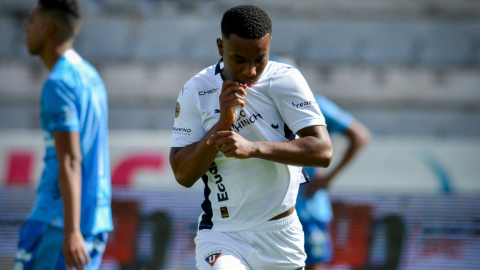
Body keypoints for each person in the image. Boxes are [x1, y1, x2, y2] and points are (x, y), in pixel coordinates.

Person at [169, 5, 333, 270]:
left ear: (269, 46)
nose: (250, 71)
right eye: (239, 60)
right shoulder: (196, 90)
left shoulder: (286, 79)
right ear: (221, 47)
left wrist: (253, 148)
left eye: (259, 59)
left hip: (281, 235)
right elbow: (182, 173)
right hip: (223, 234)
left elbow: (323, 151)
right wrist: (222, 125)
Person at [14, 0, 113, 269]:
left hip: (60, 224)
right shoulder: (89, 75)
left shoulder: (59, 83)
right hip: (96, 219)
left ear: (47, 30)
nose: (26, 29)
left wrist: (71, 231)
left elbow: (70, 159)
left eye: (31, 22)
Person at [271, 54, 371, 270]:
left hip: (303, 207)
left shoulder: (315, 105)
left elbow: (359, 136)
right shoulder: (262, 109)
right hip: (278, 209)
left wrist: (329, 178)